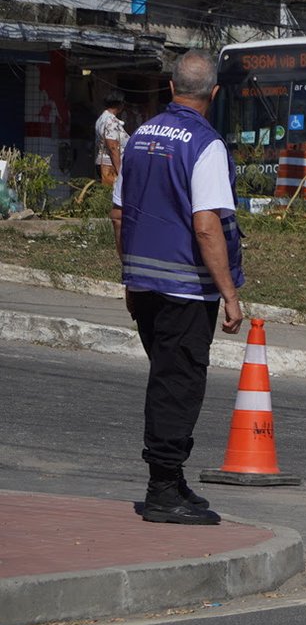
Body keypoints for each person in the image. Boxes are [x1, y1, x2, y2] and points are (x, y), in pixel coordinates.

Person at [111, 52, 242, 525]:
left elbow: (119, 212)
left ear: (170, 88)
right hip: (186, 289)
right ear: (214, 93)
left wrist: (129, 274)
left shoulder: (140, 136)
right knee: (178, 384)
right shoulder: (205, 144)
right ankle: (162, 489)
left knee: (168, 377)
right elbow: (207, 225)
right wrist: (229, 293)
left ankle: (173, 477)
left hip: (144, 284)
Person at [95, 91, 129, 186]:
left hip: (106, 163)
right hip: (111, 166)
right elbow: (113, 147)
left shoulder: (102, 119)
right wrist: (119, 171)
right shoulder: (111, 121)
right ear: (119, 105)